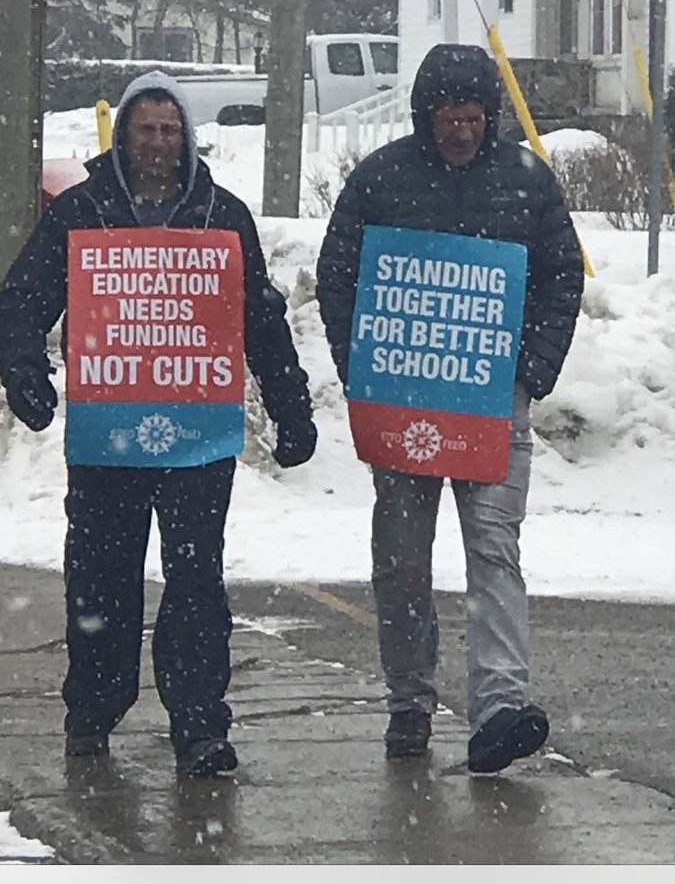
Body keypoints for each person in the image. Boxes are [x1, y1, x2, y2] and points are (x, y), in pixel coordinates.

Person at [0, 71, 317, 779]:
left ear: (187, 139)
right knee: (102, 580)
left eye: (168, 130)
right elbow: (22, 300)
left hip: (195, 435)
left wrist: (291, 407)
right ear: (123, 138)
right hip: (108, 435)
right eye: (143, 129)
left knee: (196, 581)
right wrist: (24, 372)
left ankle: (201, 726)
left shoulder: (221, 216)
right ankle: (92, 712)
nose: (156, 143)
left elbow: (259, 321)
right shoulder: (81, 212)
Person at [316, 44, 584, 772]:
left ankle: (500, 707)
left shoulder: (525, 181)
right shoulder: (379, 179)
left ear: (488, 117)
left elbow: (561, 277)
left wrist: (530, 372)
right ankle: (410, 698)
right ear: (424, 115)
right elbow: (338, 277)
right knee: (402, 558)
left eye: (472, 118)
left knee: (494, 551)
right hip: (404, 400)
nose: (461, 132)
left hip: (496, 403)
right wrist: (361, 370)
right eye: (448, 118)